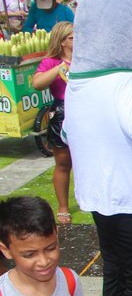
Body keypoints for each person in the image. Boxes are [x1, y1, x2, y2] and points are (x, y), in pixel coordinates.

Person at [32, 22, 74, 226]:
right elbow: (37, 83)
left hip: (86, 111)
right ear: (63, 41)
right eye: (73, 37)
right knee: (63, 162)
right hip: (62, 111)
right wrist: (59, 68)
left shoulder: (87, 58)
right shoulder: (51, 62)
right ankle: (63, 206)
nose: (78, 40)